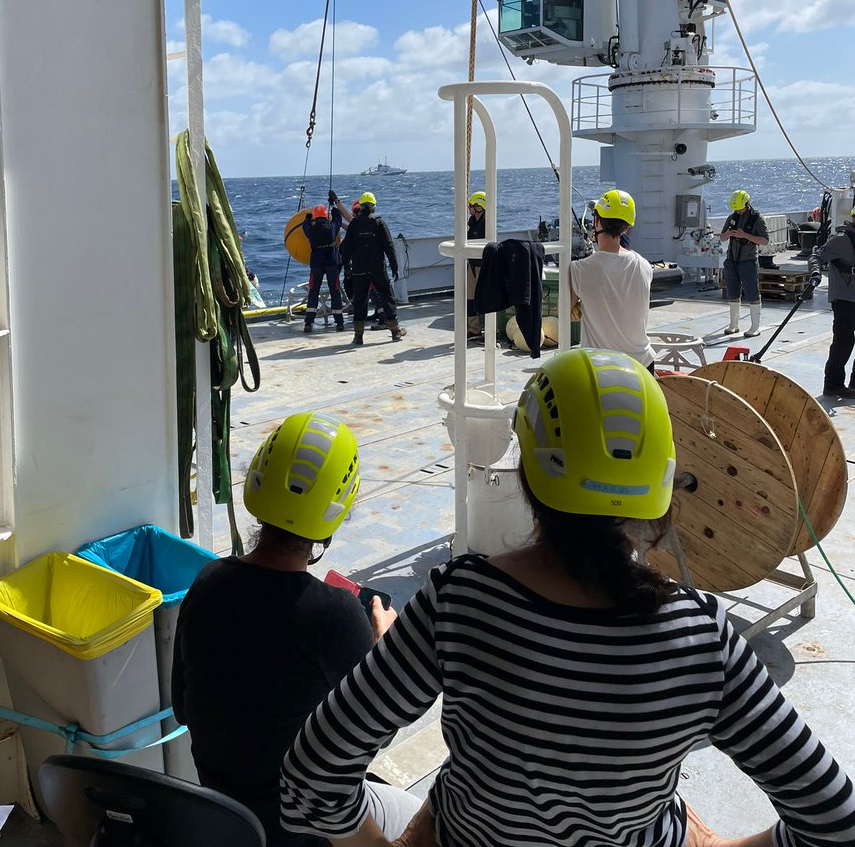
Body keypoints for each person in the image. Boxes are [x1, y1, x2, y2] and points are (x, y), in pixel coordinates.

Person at [279, 350, 855, 847]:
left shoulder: (458, 601)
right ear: (662, 484)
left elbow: (313, 773)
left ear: (528, 471)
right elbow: (835, 820)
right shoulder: (704, 639)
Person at [171, 411, 417, 847]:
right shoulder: (337, 615)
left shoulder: (208, 582)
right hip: (307, 829)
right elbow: (375, 737)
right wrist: (384, 650)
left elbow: (182, 708)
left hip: (224, 815)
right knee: (421, 816)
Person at [569, 189, 656, 371]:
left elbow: (566, 314)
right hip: (643, 365)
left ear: (596, 221)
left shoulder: (579, 270)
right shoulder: (644, 265)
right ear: (627, 227)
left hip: (603, 369)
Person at [340, 192, 405, 346]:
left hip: (359, 269)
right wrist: (394, 266)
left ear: (361, 206)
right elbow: (389, 246)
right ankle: (395, 331)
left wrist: (346, 267)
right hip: (377, 268)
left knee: (360, 300)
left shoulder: (354, 225)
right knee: (387, 297)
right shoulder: (379, 223)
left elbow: (345, 248)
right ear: (374, 206)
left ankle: (358, 336)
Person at [809, 204, 855, 397]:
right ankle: (833, 385)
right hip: (844, 297)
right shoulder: (841, 240)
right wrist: (815, 273)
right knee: (844, 341)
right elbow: (816, 256)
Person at [720, 190, 769, 337]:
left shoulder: (757, 219)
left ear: (747, 204)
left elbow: (765, 241)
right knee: (732, 292)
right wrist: (727, 234)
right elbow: (722, 237)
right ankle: (734, 324)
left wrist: (745, 235)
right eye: (736, 209)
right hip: (731, 260)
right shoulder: (732, 218)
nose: (738, 211)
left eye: (740, 209)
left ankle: (755, 327)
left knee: (752, 292)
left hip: (748, 261)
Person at [303, 204, 345, 333]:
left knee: (313, 291)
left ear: (315, 217)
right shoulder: (332, 228)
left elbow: (304, 225)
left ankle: (309, 322)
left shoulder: (310, 230)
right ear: (326, 216)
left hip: (316, 264)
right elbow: (338, 219)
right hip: (331, 263)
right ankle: (339, 322)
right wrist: (333, 206)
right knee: (335, 290)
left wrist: (308, 217)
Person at [466, 191, 486, 340]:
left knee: (485, 297)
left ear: (479, 207)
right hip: (472, 264)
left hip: (483, 265)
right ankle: (474, 329)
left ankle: (489, 329)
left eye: (471, 205)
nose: (469, 208)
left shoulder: (487, 224)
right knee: (470, 297)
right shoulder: (472, 222)